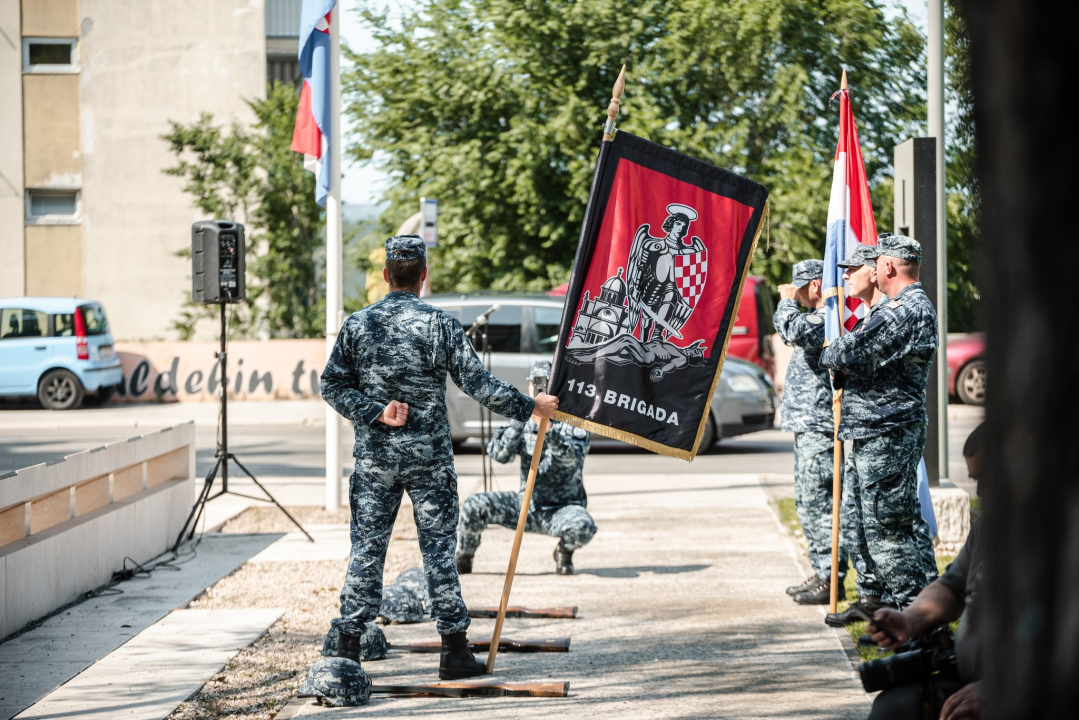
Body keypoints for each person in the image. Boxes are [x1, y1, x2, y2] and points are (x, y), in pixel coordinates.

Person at [320, 235, 559, 681]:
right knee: (438, 553)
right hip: (429, 460)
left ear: (386, 275)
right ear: (424, 276)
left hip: (375, 461)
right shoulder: (439, 325)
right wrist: (532, 407)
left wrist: (375, 412)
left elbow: (331, 385)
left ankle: (348, 647)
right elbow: (479, 385)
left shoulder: (358, 325)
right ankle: (453, 652)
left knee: (367, 549)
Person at [821, 234, 940, 623]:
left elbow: (847, 352)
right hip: (875, 431)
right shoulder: (901, 308)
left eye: (876, 264)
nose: (871, 270)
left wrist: (834, 352)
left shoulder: (905, 310)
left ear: (887, 267)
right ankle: (897, 605)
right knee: (873, 523)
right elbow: (854, 355)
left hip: (887, 433)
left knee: (888, 532)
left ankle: (915, 621)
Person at [864, 423, 986, 720]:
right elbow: (952, 587)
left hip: (1028, 691)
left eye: (988, 477)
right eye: (976, 479)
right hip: (969, 681)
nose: (981, 491)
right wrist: (910, 619)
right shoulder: (990, 526)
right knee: (893, 709)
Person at [457, 360, 596, 575]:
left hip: (561, 509)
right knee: (474, 506)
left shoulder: (573, 421)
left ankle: (563, 552)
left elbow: (573, 459)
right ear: (530, 387)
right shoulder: (523, 417)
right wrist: (521, 418)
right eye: (536, 384)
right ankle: (465, 556)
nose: (540, 389)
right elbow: (499, 455)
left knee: (583, 525)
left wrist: (548, 429)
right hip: (526, 506)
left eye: (547, 384)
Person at [774, 258, 847, 604]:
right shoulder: (817, 316)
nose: (797, 293)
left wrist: (787, 301)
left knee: (819, 501)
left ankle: (832, 577)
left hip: (819, 425)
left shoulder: (826, 319)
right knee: (807, 501)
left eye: (800, 287)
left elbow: (792, 331)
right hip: (808, 425)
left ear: (815, 285)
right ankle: (821, 572)